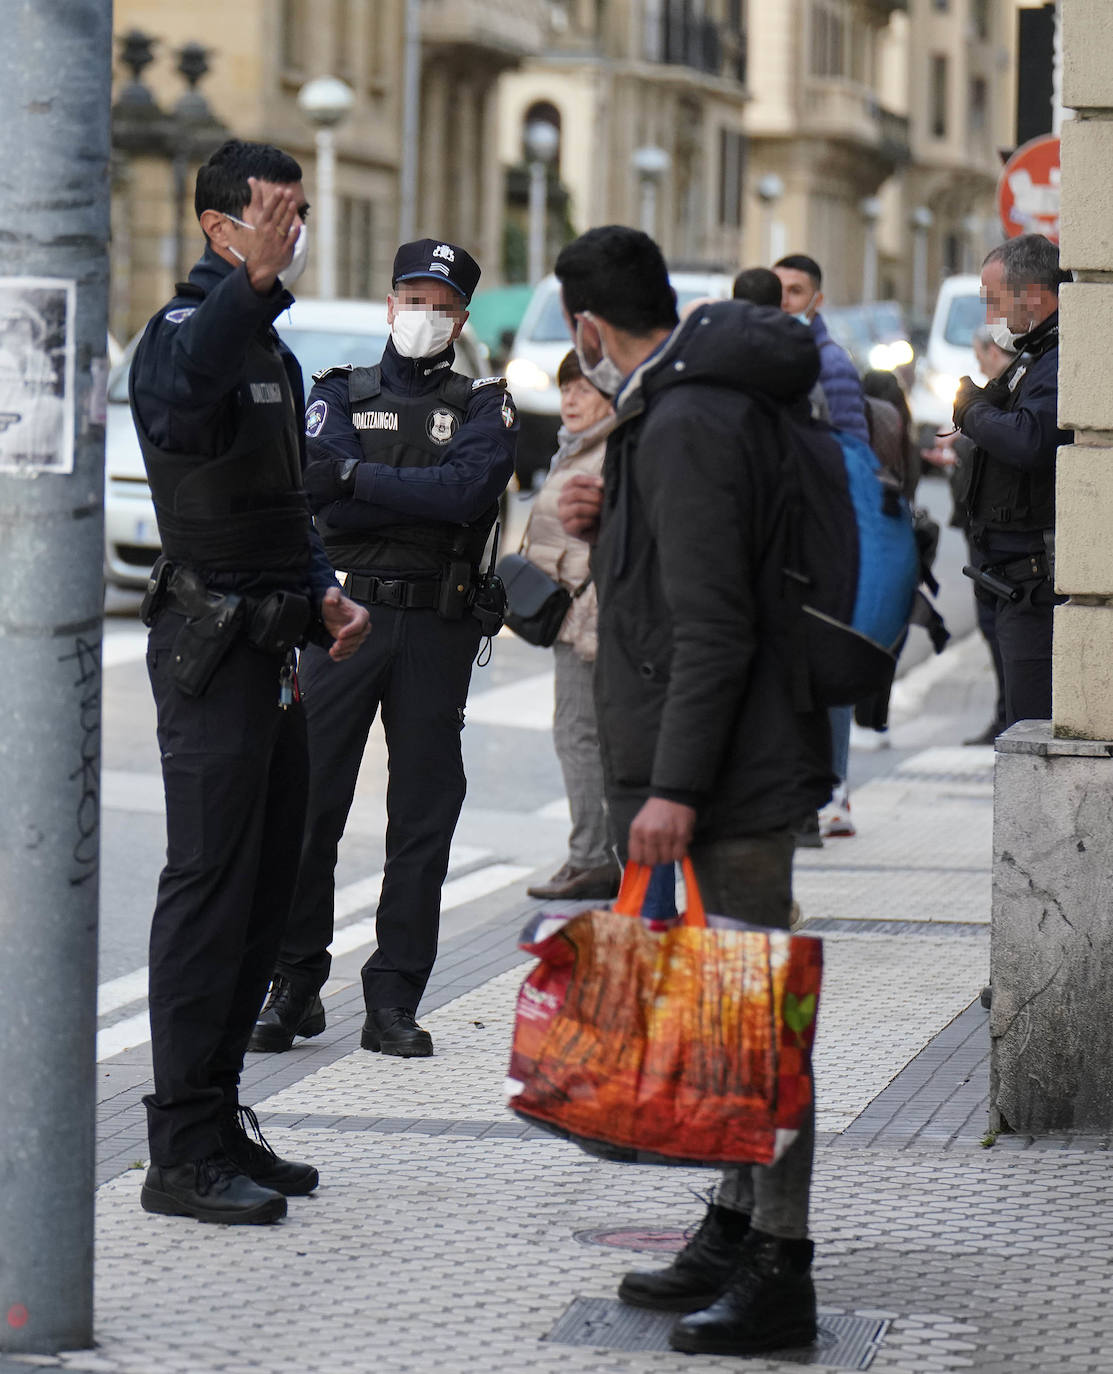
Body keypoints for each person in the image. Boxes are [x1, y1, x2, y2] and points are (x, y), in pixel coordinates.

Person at [555, 226, 832, 1357]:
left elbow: (713, 628)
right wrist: (608, 517)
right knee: (731, 1017)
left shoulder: (686, 420)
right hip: (728, 760)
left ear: (589, 329)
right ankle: (731, 1227)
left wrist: (671, 789)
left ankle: (781, 1268)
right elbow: (698, 573)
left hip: (727, 775)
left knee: (760, 1023)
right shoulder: (682, 407)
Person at [128, 139, 370, 1225]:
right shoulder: (189, 334)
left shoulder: (270, 349)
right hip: (209, 651)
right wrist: (253, 288)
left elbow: (285, 504)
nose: (293, 232)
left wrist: (324, 590)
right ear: (221, 227)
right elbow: (185, 399)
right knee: (211, 895)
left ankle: (221, 1119)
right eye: (275, 215)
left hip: (274, 652)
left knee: (269, 893)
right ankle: (178, 1149)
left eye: (299, 214)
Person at [249, 238, 518, 1060]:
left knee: (422, 818)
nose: (423, 315)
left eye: (439, 304)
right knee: (307, 803)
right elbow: (317, 495)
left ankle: (394, 997)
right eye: (412, 297)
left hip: (437, 625)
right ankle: (293, 984)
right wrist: (412, 497)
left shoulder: (483, 405)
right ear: (389, 304)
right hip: (342, 621)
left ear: (461, 318)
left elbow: (469, 491)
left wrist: (361, 482)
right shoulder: (336, 393)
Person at [953, 234, 1070, 728]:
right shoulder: (1035, 353)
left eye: (994, 299)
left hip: (1034, 580)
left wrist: (973, 414)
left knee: (1032, 730)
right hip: (1013, 579)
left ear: (1032, 294)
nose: (990, 314)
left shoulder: (1060, 355)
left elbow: (1030, 441)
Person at [774, 253, 867, 840]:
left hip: (824, 538)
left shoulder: (829, 363)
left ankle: (833, 790)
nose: (786, 300)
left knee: (827, 669)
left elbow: (854, 451)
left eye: (797, 290)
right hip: (791, 539)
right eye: (779, 289)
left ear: (818, 299)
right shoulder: (776, 358)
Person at [522, 351, 620, 902]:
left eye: (584, 388)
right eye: (566, 388)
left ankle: (591, 858)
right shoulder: (577, 447)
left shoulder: (610, 450)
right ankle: (595, 852)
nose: (570, 399)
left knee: (578, 735)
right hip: (576, 612)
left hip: (592, 617)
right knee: (586, 736)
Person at [923, 325, 1015, 743]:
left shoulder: (1011, 387)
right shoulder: (1006, 387)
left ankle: (1008, 717)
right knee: (993, 627)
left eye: (981, 357)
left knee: (998, 627)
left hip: (996, 533)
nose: (978, 366)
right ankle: (1005, 714)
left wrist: (959, 448)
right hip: (983, 528)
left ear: (994, 352)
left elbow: (999, 446)